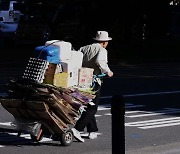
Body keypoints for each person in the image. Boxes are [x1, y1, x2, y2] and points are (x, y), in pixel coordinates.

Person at [71, 31, 113, 142]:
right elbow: (101, 61)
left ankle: (92, 130)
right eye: (107, 42)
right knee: (92, 107)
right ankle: (77, 129)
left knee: (88, 105)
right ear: (104, 42)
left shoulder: (83, 48)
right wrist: (108, 71)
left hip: (81, 79)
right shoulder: (102, 50)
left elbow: (76, 60)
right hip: (94, 81)